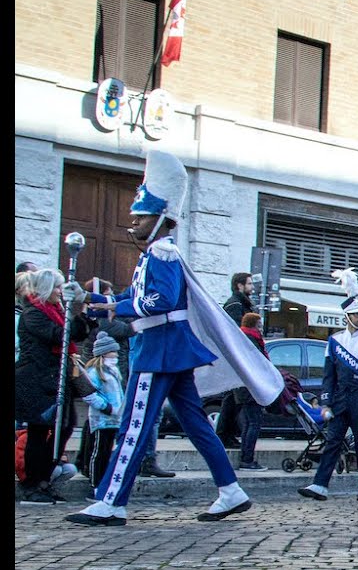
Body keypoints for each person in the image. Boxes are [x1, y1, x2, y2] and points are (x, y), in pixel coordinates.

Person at [69, 152, 280, 526]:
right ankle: (231, 491)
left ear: (161, 220)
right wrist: (94, 300)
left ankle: (112, 499)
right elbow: (134, 299)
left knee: (134, 425)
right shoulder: (154, 254)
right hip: (168, 349)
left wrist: (119, 308)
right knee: (197, 425)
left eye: (141, 217)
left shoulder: (162, 252)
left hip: (159, 350)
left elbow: (159, 301)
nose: (133, 223)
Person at [297, 269, 358, 502]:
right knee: (333, 440)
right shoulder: (335, 341)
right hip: (340, 396)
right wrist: (325, 402)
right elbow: (329, 376)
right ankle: (320, 484)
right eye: (356, 314)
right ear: (347, 316)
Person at [15, 268, 91, 504]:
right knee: (39, 433)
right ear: (47, 288)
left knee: (65, 427)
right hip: (36, 380)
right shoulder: (33, 314)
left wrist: (83, 312)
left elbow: (75, 335)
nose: (60, 292)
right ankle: (32, 484)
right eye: (58, 287)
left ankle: (44, 479)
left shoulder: (56, 310)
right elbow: (60, 335)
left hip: (56, 379)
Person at [83, 331, 125, 490]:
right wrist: (107, 407)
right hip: (102, 419)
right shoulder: (95, 373)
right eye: (112, 352)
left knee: (107, 452)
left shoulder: (114, 371)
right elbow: (90, 394)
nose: (115, 355)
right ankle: (95, 485)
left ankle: (104, 483)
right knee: (99, 452)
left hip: (114, 419)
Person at [218, 272, 255, 448]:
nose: (252, 287)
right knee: (232, 398)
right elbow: (235, 333)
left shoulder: (242, 304)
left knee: (233, 398)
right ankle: (224, 433)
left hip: (238, 357)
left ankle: (226, 433)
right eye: (249, 284)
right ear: (240, 285)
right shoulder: (235, 305)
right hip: (236, 357)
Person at [235, 312, 269, 471]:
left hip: (243, 388)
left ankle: (246, 458)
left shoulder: (242, 338)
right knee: (253, 423)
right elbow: (258, 362)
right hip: (251, 389)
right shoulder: (251, 340)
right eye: (260, 325)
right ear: (254, 325)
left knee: (248, 423)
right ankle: (247, 459)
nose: (261, 328)